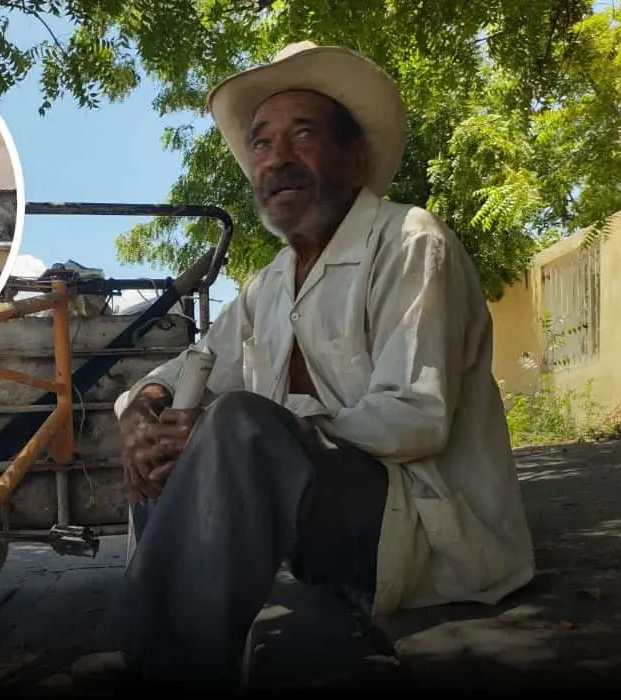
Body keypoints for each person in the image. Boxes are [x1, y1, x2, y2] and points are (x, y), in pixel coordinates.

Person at [71, 41, 537, 690]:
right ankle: (157, 644)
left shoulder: (408, 241)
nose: (278, 158)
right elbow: (196, 363)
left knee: (235, 424)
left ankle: (160, 667)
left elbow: (416, 418)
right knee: (165, 443)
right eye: (261, 143)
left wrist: (272, 421)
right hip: (326, 536)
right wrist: (148, 401)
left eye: (304, 134)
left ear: (356, 157)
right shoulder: (270, 283)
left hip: (423, 532)